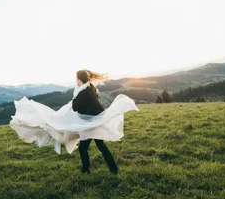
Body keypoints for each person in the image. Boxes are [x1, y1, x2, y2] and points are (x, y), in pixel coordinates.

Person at [9, 69, 139, 174]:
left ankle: (86, 170)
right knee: (101, 146)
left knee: (83, 149)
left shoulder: (81, 93)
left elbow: (76, 107)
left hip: (89, 124)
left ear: (79, 79)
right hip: (96, 121)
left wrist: (75, 98)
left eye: (76, 78)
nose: (75, 81)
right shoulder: (91, 87)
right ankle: (113, 169)